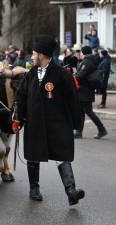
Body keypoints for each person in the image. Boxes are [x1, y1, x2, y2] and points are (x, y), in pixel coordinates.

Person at [14, 36, 85, 206]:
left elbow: (73, 100)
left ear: (42, 55)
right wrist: (17, 119)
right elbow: (21, 98)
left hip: (58, 124)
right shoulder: (31, 75)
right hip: (34, 123)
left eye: (34, 53)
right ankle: (34, 188)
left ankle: (71, 191)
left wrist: (77, 124)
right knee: (33, 156)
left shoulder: (62, 75)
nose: (32, 57)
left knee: (62, 156)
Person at [74, 46, 107, 139]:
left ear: (83, 52)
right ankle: (79, 132)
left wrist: (73, 75)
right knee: (81, 112)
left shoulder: (87, 62)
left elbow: (80, 76)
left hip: (85, 91)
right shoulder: (89, 61)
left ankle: (102, 129)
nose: (79, 54)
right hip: (85, 91)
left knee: (88, 111)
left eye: (80, 52)